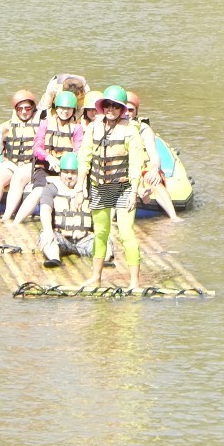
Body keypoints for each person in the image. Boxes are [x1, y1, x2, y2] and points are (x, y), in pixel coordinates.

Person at [73, 85, 155, 292]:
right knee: (100, 232)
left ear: (121, 109)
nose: (111, 110)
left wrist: (134, 190)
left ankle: (134, 282)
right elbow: (85, 158)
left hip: (123, 187)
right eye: (107, 105)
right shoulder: (93, 128)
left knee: (127, 233)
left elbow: (136, 163)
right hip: (100, 186)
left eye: (115, 106)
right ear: (102, 107)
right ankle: (96, 277)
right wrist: (80, 188)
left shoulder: (130, 131)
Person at [11, 90, 83, 225]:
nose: (65, 111)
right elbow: (37, 147)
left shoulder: (77, 128)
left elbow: (78, 150)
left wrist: (65, 164)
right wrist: (49, 157)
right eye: (62, 108)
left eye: (68, 109)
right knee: (39, 190)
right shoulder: (46, 123)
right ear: (57, 108)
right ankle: (16, 222)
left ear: (73, 110)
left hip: (66, 169)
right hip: (44, 167)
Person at [0, 89, 39, 219]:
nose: (24, 111)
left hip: (30, 164)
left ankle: (7, 217)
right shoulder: (8, 127)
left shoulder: (40, 125)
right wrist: (5, 163)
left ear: (33, 108)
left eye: (27, 108)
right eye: (20, 109)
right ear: (16, 110)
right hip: (13, 162)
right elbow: (3, 148)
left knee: (18, 179)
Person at [124, 91, 183, 221]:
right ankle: (142, 195)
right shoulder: (114, 127)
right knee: (131, 175)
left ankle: (173, 216)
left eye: (131, 110)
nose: (127, 113)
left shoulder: (143, 129)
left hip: (142, 165)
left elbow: (154, 155)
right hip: (124, 166)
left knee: (153, 179)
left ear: (136, 112)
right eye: (124, 109)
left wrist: (155, 169)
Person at [35, 159, 96, 266]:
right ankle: (55, 259)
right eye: (66, 172)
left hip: (84, 238)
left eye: (73, 172)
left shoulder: (90, 190)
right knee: (45, 235)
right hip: (61, 238)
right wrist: (48, 231)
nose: (69, 176)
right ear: (60, 173)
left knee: (104, 240)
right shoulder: (51, 188)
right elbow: (45, 210)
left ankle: (104, 260)